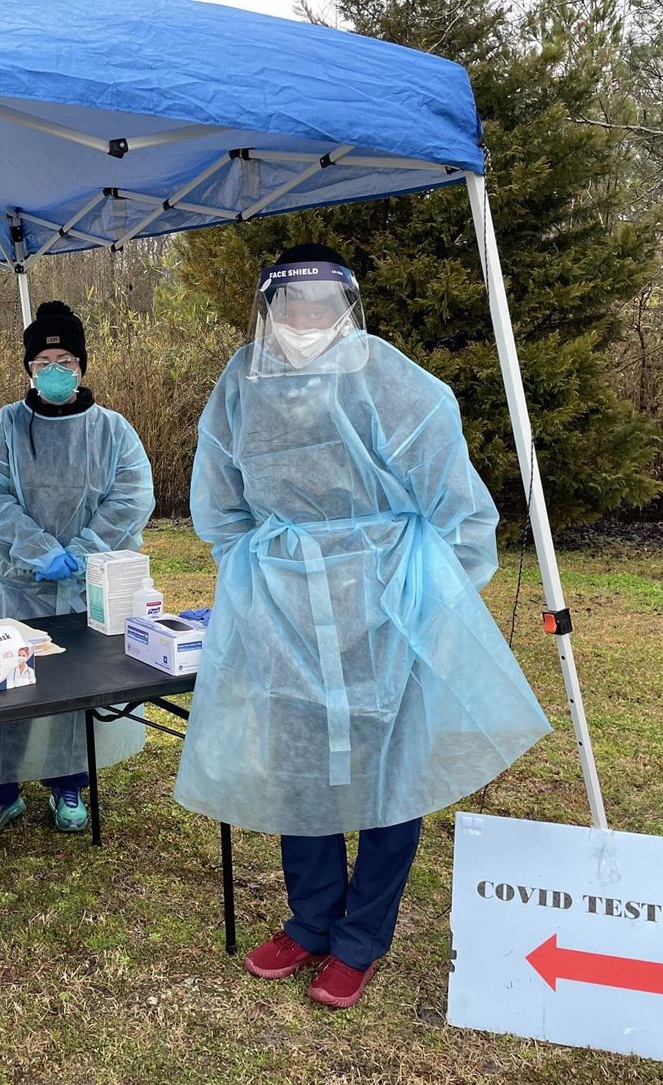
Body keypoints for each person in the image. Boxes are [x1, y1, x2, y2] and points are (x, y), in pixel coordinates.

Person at [173, 245, 551, 1008]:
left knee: (389, 773)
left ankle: (361, 938)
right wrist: (263, 571)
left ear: (346, 309)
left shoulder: (398, 383)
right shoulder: (242, 386)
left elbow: (456, 509)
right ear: (267, 312)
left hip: (387, 605)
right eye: (290, 306)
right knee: (299, 766)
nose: (305, 320)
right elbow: (221, 501)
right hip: (286, 605)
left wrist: (425, 594)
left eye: (320, 305)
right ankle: (312, 921)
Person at [0, 300, 156, 839]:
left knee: (72, 685)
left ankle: (68, 784)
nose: (55, 369)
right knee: (3, 686)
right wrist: (35, 548)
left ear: (83, 366)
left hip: (84, 586)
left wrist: (86, 548)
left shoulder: (113, 432)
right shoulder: (5, 428)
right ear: (28, 368)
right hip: (15, 585)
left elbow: (132, 497)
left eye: (66, 359)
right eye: (44, 359)